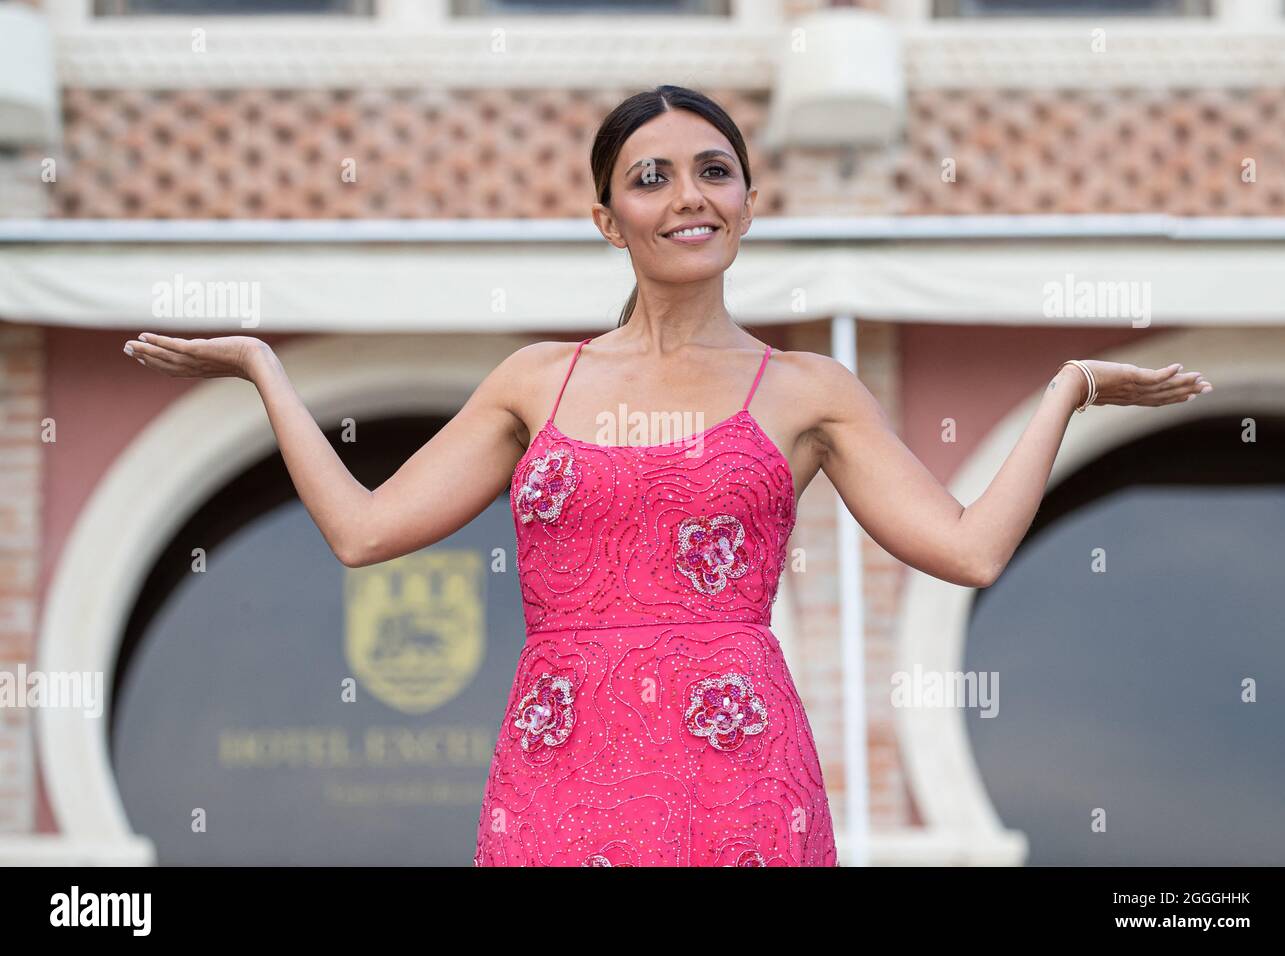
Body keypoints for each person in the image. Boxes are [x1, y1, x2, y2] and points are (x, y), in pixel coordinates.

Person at [122, 85, 1212, 866]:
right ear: (607, 220)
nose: (687, 194)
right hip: (558, 763)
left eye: (713, 169)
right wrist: (266, 373)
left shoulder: (806, 390)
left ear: (745, 201)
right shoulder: (533, 380)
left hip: (735, 775)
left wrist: (1062, 391)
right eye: (650, 177)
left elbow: (966, 549)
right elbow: (362, 531)